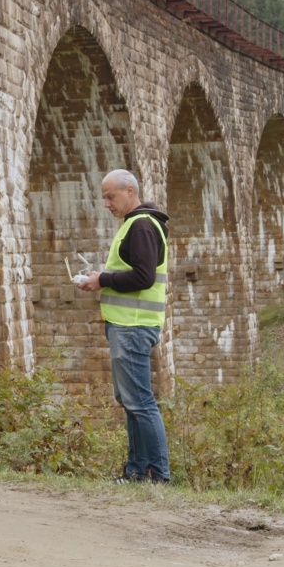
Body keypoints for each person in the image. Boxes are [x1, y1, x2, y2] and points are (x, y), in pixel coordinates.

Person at [76, 169, 171, 484]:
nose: (106, 204)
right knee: (131, 399)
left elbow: (143, 277)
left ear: (130, 191)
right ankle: (136, 470)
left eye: (110, 196)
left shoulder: (141, 225)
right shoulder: (139, 224)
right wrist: (101, 278)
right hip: (128, 324)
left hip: (133, 325)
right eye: (104, 197)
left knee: (140, 400)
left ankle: (158, 474)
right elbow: (135, 272)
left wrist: (102, 279)